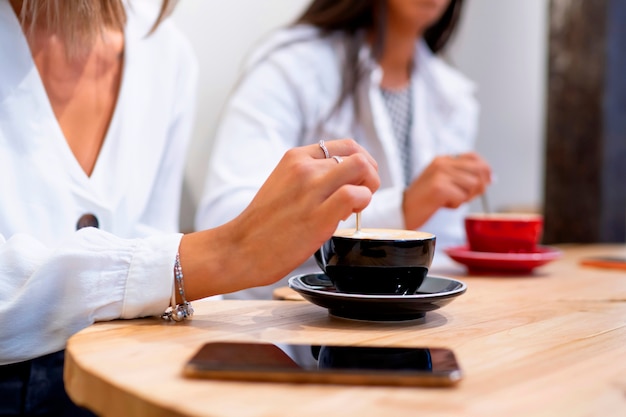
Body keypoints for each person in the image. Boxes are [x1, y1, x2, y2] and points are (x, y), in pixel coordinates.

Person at [0, 0, 380, 415]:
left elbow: (153, 254)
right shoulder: (290, 63)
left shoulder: (163, 52)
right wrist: (224, 253)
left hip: (133, 368)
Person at [195, 0, 492, 300]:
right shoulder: (291, 66)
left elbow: (443, 258)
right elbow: (226, 227)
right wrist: (401, 209)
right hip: (285, 332)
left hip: (413, 328)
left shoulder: (454, 97)